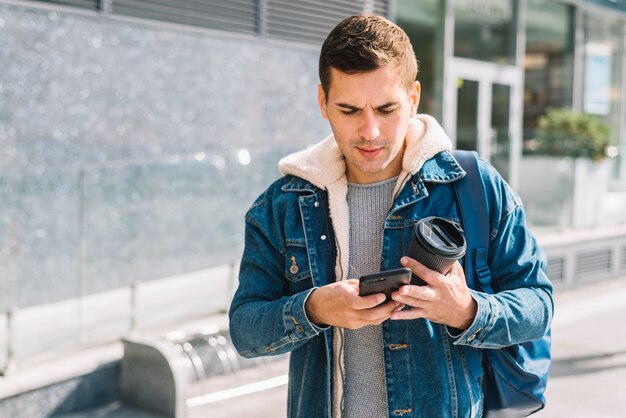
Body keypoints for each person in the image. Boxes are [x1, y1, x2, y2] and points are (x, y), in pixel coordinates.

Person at [229, 14, 553, 418]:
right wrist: (314, 309)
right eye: (349, 110)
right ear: (322, 102)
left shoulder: (474, 184)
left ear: (414, 98)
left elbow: (538, 305)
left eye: (387, 109)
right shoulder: (281, 204)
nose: (371, 132)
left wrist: (467, 311)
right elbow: (245, 330)